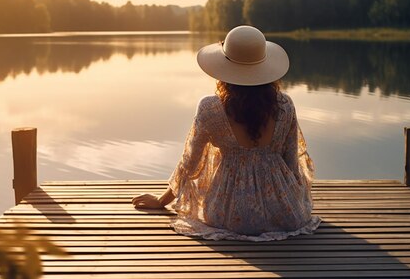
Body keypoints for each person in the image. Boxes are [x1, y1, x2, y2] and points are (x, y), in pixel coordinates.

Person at [131, 25, 321, 241]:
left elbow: (189, 163)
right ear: (265, 66)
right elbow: (291, 161)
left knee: (211, 208)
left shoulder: (210, 108)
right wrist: (293, 200)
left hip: (228, 214)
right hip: (283, 213)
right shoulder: (285, 105)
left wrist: (161, 200)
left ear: (224, 68)